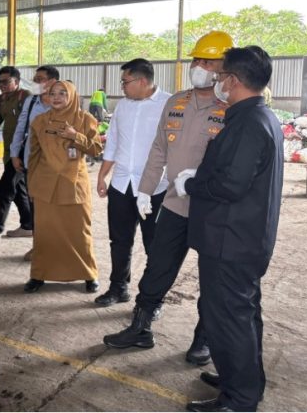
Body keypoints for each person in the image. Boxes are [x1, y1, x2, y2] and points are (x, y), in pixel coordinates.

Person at [103, 31, 234, 365]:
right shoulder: (176, 102)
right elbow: (160, 149)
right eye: (197, 60)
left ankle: (204, 339)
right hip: (174, 202)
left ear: (225, 66)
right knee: (158, 266)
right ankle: (141, 327)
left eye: (208, 61)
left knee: (212, 277)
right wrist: (146, 189)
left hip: (213, 208)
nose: (199, 67)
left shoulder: (233, 108)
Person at [178, 46, 282, 412]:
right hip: (241, 237)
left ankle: (239, 400)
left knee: (230, 318)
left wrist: (191, 185)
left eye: (221, 76)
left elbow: (231, 186)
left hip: (230, 239)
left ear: (234, 81)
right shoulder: (257, 117)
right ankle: (243, 379)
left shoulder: (248, 123)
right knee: (243, 313)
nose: (218, 82)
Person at [95, 59, 170, 306]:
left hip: (154, 188)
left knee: (155, 246)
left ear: (141, 81)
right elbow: (114, 142)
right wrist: (102, 175)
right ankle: (118, 288)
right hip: (121, 185)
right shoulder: (123, 107)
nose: (122, 87)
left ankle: (152, 300)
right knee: (119, 240)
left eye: (125, 82)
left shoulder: (169, 104)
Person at [23, 80, 102, 294]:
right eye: (52, 93)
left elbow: (96, 149)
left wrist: (75, 136)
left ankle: (88, 275)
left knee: (79, 233)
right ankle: (39, 275)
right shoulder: (40, 121)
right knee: (45, 234)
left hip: (74, 184)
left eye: (62, 93)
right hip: (45, 187)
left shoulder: (85, 119)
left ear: (72, 96)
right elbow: (34, 155)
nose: (56, 97)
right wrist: (32, 185)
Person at [9, 65, 61, 260]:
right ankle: (38, 246)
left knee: (56, 208)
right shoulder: (31, 101)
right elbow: (20, 127)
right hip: (33, 162)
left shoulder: (64, 101)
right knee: (37, 208)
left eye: (40, 78)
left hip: (58, 166)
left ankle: (57, 248)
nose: (36, 82)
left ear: (53, 81)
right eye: (35, 78)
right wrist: (14, 154)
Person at [0, 66, 33, 247]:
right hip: (8, 154)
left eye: (5, 82)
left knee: (6, 189)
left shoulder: (26, 97)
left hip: (22, 153)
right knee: (19, 190)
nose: (1, 85)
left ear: (17, 81)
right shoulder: (2, 99)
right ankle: (28, 225)